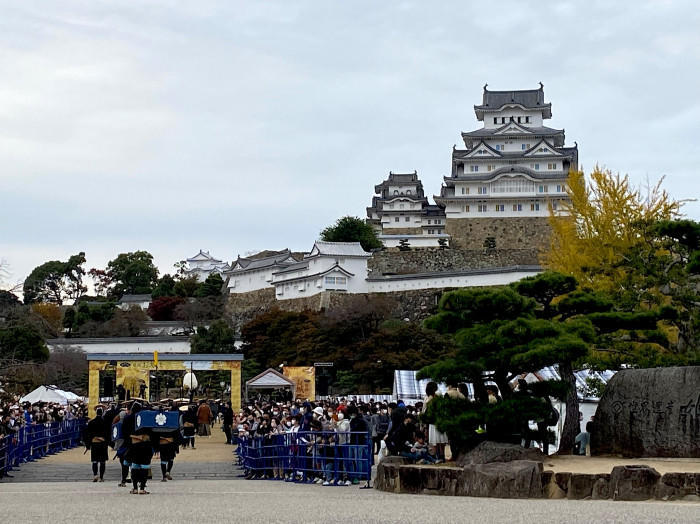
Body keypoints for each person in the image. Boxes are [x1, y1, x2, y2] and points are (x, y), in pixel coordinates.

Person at [123, 401, 154, 495]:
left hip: (134, 445)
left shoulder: (128, 418)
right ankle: (142, 488)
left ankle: (135, 487)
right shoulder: (146, 418)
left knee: (135, 466)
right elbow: (152, 431)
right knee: (145, 466)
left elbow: (124, 432)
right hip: (145, 444)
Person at [423, 381, 448, 461]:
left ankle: (437, 456)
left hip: (433, 422)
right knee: (441, 440)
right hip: (440, 421)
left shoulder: (429, 399)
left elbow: (425, 411)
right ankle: (442, 456)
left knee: (435, 441)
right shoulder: (439, 396)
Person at [85, 407, 109, 482]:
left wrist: (88, 445)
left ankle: (95, 475)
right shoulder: (105, 422)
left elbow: (88, 434)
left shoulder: (91, 422)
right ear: (102, 413)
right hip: (103, 443)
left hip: (94, 443)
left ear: (96, 413)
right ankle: (101, 477)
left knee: (94, 460)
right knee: (102, 461)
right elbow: (108, 434)